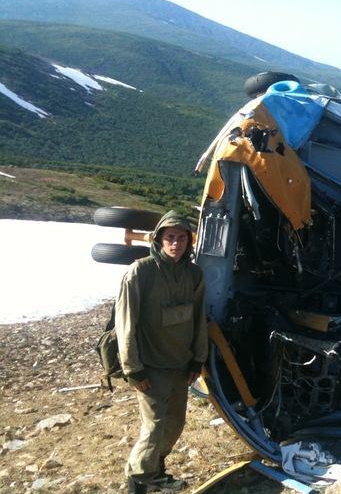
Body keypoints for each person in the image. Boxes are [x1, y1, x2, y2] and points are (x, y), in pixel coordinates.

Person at [115, 210, 208, 494]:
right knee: (154, 428)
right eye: (170, 237)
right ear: (159, 239)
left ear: (189, 241)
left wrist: (197, 359)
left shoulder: (193, 273)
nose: (176, 243)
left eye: (181, 237)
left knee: (175, 425)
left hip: (180, 365)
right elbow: (125, 323)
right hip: (150, 368)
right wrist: (133, 369)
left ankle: (156, 472)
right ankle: (139, 482)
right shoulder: (141, 271)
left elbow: (198, 318)